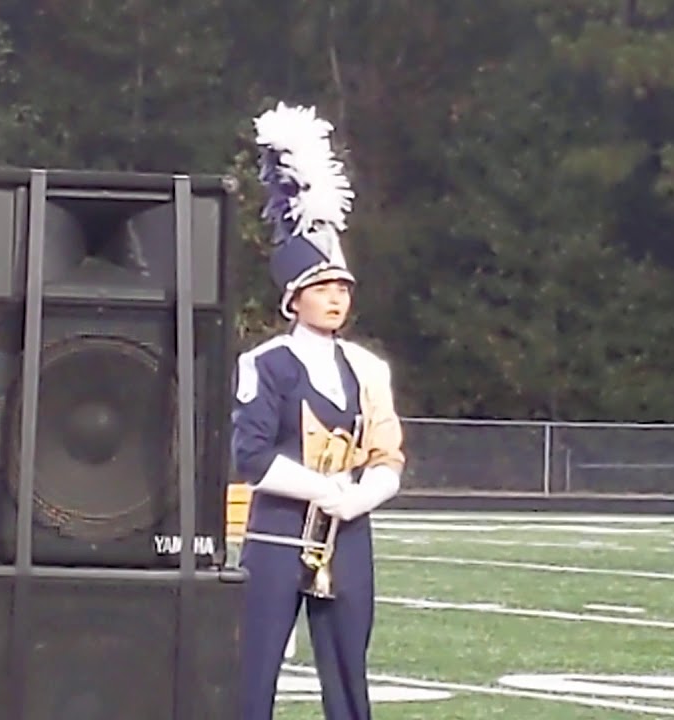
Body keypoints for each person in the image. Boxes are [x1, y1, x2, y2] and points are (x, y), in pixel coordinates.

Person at [233, 102, 406, 720]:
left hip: (349, 535)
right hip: (278, 533)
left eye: (342, 289)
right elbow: (250, 455)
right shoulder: (266, 363)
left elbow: (387, 453)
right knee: (254, 672)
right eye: (321, 289)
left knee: (348, 675)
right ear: (293, 298)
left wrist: (360, 497)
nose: (335, 299)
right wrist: (322, 487)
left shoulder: (368, 368)